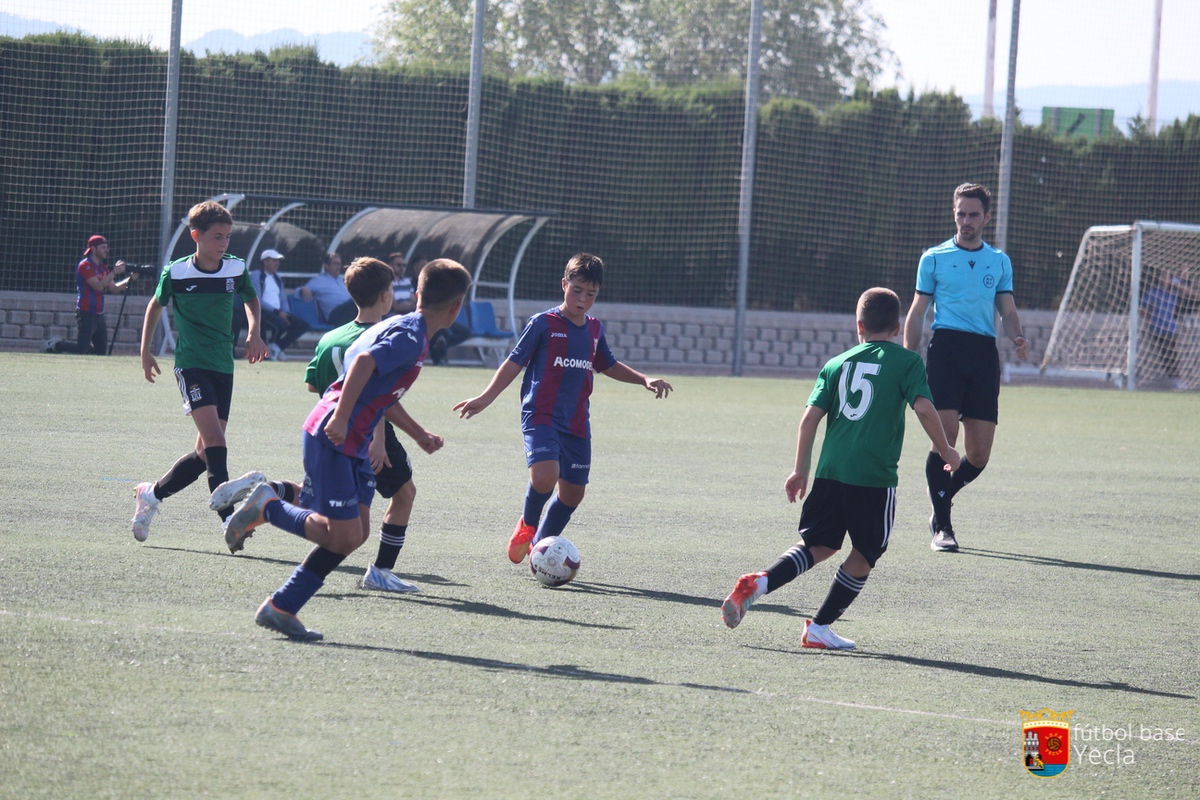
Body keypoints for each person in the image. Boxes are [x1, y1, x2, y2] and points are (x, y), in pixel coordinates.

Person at [220, 258, 473, 641]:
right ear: (457, 307)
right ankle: (268, 507)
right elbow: (365, 363)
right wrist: (339, 417)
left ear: (417, 294)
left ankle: (281, 607)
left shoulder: (406, 328)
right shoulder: (409, 336)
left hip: (350, 439)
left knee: (355, 533)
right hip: (334, 435)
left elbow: (381, 389)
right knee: (337, 534)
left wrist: (418, 434)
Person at [721, 288, 961, 649]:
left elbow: (808, 420)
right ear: (897, 328)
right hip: (874, 478)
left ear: (858, 326)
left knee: (819, 544)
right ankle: (819, 628)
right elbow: (925, 409)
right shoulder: (907, 362)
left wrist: (800, 470)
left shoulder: (837, 363)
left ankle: (762, 582)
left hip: (830, 473)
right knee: (866, 552)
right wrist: (948, 451)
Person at [212, 256, 425, 593]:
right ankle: (382, 570)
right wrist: (380, 440)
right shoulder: (386, 335)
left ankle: (273, 492)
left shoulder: (332, 338)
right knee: (400, 496)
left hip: (325, 430)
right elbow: (378, 395)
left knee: (328, 504)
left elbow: (314, 385)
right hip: (367, 432)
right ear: (387, 296)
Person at [453, 253, 673, 566]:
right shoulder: (543, 324)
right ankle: (527, 526)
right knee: (545, 477)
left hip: (576, 423)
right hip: (540, 416)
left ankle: (540, 548)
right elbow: (513, 362)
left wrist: (644, 379)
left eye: (591, 294)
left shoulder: (594, 329)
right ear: (563, 284)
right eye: (577, 290)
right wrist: (486, 397)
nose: (583, 299)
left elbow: (607, 365)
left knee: (572, 494)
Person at [130, 201, 269, 543]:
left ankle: (151, 495)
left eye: (227, 237)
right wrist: (145, 350)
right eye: (216, 237)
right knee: (217, 442)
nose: (223, 243)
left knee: (204, 454)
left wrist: (254, 332)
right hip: (191, 365)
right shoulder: (176, 272)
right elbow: (155, 305)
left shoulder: (235, 268)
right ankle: (227, 521)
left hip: (224, 366)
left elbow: (251, 300)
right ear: (196, 236)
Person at [902, 183, 1028, 553]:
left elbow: (1007, 309)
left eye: (974, 214)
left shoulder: (998, 261)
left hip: (983, 354)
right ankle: (943, 526)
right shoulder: (934, 258)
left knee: (978, 455)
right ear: (954, 214)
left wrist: (1017, 336)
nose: (966, 221)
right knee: (945, 441)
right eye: (961, 214)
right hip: (946, 350)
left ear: (986, 218)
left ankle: (942, 497)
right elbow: (918, 311)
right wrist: (907, 358)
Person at [44, 234, 135, 355]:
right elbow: (98, 286)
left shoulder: (102, 268)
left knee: (101, 353)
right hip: (86, 312)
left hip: (99, 314)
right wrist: (114, 272)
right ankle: (56, 345)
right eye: (103, 247)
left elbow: (114, 288)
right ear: (93, 248)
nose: (106, 250)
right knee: (82, 349)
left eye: (106, 247)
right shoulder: (85, 266)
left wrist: (131, 279)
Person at [246, 248, 310, 361]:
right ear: (265, 262)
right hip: (263, 312)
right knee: (281, 325)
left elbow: (283, 299)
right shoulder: (256, 275)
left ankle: (276, 347)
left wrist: (286, 313)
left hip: (279, 312)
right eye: (274, 260)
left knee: (303, 325)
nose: (277, 263)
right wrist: (277, 313)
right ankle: (269, 350)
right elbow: (257, 299)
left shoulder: (277, 278)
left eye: (278, 261)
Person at [1140, 267, 1196, 390]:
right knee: (1167, 353)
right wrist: (1150, 318)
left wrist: (1176, 281)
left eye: (1167, 276)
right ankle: (1174, 379)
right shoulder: (1153, 292)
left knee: (1171, 354)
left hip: (1171, 328)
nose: (1165, 279)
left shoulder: (1173, 291)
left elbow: (1191, 293)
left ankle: (1174, 379)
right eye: (1163, 276)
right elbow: (1142, 308)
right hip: (1158, 328)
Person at [297, 252, 356, 326]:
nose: (338, 267)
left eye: (339, 264)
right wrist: (303, 289)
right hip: (335, 315)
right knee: (357, 301)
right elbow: (298, 292)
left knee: (364, 299)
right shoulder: (319, 280)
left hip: (349, 313)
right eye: (335, 264)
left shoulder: (342, 281)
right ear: (326, 266)